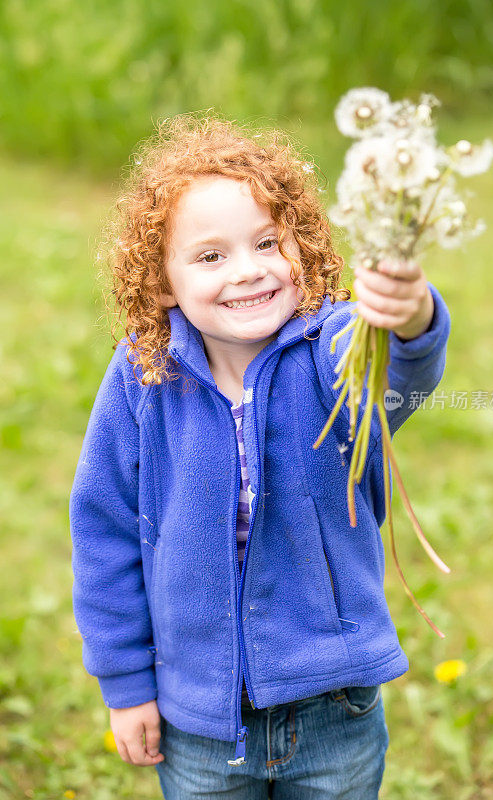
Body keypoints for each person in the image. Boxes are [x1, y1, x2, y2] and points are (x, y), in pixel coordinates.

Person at [69, 112, 450, 799]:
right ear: (162, 282)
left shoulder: (331, 345)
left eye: (267, 242)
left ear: (300, 246)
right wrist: (126, 686)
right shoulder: (143, 375)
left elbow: (396, 374)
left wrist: (411, 313)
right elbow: (105, 534)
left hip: (335, 706)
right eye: (210, 256)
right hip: (199, 719)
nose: (247, 271)